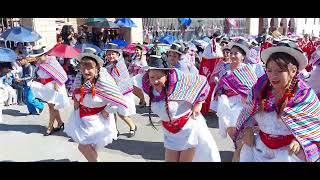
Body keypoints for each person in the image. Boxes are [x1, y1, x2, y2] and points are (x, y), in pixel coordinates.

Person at [234, 40, 320, 162]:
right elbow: (248, 112)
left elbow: (315, 125)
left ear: (293, 71)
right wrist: (247, 129)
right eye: (269, 70)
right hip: (260, 148)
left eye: (279, 71)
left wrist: (299, 141)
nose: (273, 75)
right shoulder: (259, 89)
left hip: (288, 153)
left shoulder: (304, 95)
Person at [134, 54, 221, 162]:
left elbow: (202, 82)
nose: (155, 81)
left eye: (159, 77)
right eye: (152, 77)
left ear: (166, 75)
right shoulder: (148, 86)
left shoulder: (179, 84)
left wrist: (198, 103)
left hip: (187, 128)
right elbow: (126, 84)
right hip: (169, 132)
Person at [64, 49, 128, 162]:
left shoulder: (104, 80)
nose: (86, 71)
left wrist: (107, 110)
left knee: (83, 146)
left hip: (98, 119)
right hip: (82, 117)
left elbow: (117, 99)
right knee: (88, 147)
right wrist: (76, 110)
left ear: (97, 69)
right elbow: (76, 95)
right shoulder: (80, 79)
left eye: (90, 68)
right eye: (83, 68)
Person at [213, 38, 265, 161]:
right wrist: (220, 93)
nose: (232, 55)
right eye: (231, 52)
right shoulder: (225, 69)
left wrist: (247, 97)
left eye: (236, 53)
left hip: (244, 107)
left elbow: (253, 90)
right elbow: (220, 87)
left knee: (241, 143)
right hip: (227, 106)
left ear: (243, 56)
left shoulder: (247, 70)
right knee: (237, 139)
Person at [29, 47, 70, 136]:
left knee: (52, 106)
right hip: (46, 87)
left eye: (39, 57)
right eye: (36, 57)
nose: (37, 59)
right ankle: (60, 123)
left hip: (54, 86)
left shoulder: (52, 61)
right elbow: (41, 74)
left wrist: (56, 81)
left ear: (44, 55)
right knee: (51, 106)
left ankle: (50, 126)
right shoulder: (40, 63)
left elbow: (61, 74)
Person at [103, 44, 137, 137]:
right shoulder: (108, 66)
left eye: (112, 54)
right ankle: (115, 130)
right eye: (108, 54)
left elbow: (120, 80)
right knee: (112, 113)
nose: (110, 56)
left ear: (118, 54)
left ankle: (133, 126)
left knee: (122, 114)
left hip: (122, 93)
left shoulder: (120, 63)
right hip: (112, 92)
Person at [15, 51, 44, 115]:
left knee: (30, 99)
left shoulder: (29, 66)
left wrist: (21, 79)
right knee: (27, 100)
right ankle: (32, 111)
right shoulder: (23, 66)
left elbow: (30, 76)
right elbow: (24, 75)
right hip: (25, 84)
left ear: (25, 59)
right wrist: (19, 79)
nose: (19, 62)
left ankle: (41, 106)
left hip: (31, 84)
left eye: (20, 60)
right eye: (18, 60)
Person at [128, 43, 148, 107]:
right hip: (134, 74)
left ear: (141, 51)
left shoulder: (143, 58)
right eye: (135, 50)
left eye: (137, 50)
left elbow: (145, 68)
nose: (136, 52)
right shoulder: (134, 58)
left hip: (140, 75)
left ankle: (142, 100)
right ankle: (142, 99)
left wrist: (138, 67)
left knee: (133, 84)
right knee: (131, 87)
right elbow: (131, 67)